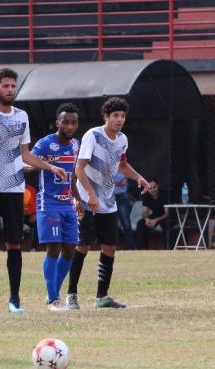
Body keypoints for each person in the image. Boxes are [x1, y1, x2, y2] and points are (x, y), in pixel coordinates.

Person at [0, 67, 67, 315]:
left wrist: (50, 167)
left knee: (14, 244)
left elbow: (26, 154)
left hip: (14, 189)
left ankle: (15, 300)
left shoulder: (22, 117)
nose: (10, 90)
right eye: (5, 86)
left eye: (13, 86)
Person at [66, 97, 149, 309]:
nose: (119, 120)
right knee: (83, 245)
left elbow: (122, 165)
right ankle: (71, 296)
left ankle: (101, 297)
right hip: (87, 200)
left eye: (122, 116)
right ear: (106, 117)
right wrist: (91, 194)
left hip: (108, 202)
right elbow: (79, 169)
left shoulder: (122, 139)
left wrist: (138, 177)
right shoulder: (92, 135)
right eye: (115, 116)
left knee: (110, 247)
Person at [28, 103, 83, 311]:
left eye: (74, 122)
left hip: (68, 203)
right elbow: (26, 163)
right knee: (54, 247)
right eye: (66, 122)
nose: (70, 126)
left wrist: (78, 198)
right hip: (48, 203)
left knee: (70, 249)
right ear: (57, 123)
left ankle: (53, 293)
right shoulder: (44, 144)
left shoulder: (75, 145)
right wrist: (44, 165)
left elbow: (73, 176)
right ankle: (53, 300)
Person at [134, 178, 169, 250]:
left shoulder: (165, 195)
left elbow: (167, 213)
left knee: (167, 225)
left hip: (165, 217)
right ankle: (142, 250)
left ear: (158, 186)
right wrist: (147, 219)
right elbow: (145, 212)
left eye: (154, 187)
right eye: (150, 188)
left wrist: (155, 221)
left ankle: (168, 248)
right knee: (140, 224)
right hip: (155, 215)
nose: (152, 190)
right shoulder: (146, 196)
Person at [113, 171, 134, 249]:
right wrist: (117, 182)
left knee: (126, 224)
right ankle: (110, 247)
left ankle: (130, 247)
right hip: (110, 197)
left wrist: (112, 183)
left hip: (122, 197)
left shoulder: (122, 165)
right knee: (110, 224)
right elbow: (105, 181)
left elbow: (124, 182)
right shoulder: (106, 165)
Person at [23, 183, 38, 250]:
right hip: (15, 216)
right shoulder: (12, 189)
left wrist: (28, 212)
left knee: (37, 221)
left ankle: (33, 248)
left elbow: (34, 206)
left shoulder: (31, 189)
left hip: (29, 216)